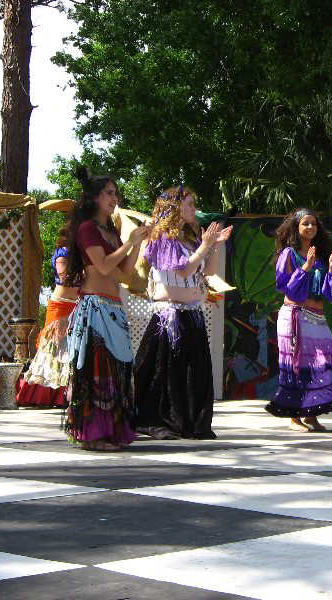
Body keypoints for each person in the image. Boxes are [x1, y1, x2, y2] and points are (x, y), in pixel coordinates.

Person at [132, 185, 231, 440]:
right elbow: (183, 271)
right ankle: (163, 420)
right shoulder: (162, 238)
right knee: (167, 372)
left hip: (192, 314)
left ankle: (190, 422)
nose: (193, 209)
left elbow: (207, 272)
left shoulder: (190, 237)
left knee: (193, 371)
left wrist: (214, 245)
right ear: (174, 208)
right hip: (169, 316)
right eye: (188, 204)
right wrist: (204, 246)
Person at [63, 167, 151, 451]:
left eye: (116, 193)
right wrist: (130, 244)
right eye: (109, 193)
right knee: (96, 372)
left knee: (116, 372)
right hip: (95, 308)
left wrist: (137, 243)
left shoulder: (111, 231)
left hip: (113, 307)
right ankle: (91, 435)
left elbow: (123, 270)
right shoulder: (87, 228)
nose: (115, 198)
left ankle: (111, 430)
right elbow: (102, 266)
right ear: (94, 198)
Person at [265, 208, 332, 431]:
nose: (310, 227)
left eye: (313, 224)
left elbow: (330, 294)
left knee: (324, 364)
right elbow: (287, 287)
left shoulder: (320, 257)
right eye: (305, 223)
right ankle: (294, 417)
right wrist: (305, 267)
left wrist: (331, 269)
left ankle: (311, 414)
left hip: (318, 317)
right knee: (297, 365)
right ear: (296, 227)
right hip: (295, 316)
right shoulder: (289, 254)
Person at [17, 225, 79, 407]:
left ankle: (64, 394)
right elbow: (65, 276)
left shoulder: (82, 255)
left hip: (77, 305)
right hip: (60, 305)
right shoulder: (63, 254)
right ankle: (43, 394)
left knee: (70, 350)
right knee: (53, 348)